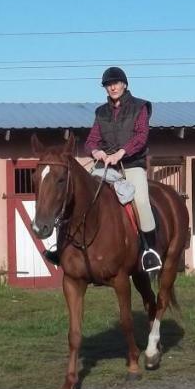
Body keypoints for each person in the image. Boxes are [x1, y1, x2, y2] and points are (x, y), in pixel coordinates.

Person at [51, 66, 162, 274]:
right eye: (108, 84)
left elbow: (141, 137)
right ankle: (60, 248)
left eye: (116, 83)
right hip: (105, 165)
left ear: (124, 84)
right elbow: (92, 139)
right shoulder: (101, 112)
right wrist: (95, 152)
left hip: (131, 164)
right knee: (77, 193)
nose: (113, 87)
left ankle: (149, 252)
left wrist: (120, 153)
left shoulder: (140, 107)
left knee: (142, 202)